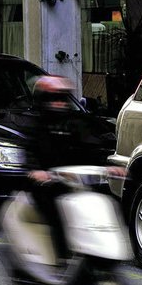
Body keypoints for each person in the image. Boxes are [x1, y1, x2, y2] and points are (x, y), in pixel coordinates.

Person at [26, 75, 113, 265]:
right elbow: (30, 155)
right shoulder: (36, 125)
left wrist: (109, 167)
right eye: (53, 99)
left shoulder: (76, 123)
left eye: (61, 98)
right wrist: (38, 172)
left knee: (102, 202)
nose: (58, 103)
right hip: (47, 187)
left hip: (73, 183)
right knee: (56, 209)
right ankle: (59, 258)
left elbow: (92, 146)